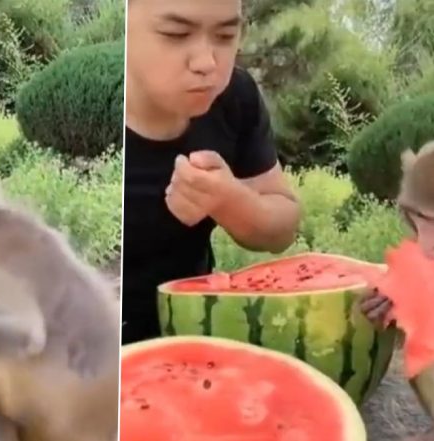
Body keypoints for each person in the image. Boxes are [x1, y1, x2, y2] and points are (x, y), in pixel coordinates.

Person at [122, 0, 302, 344]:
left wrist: (230, 201)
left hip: (188, 338)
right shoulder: (91, 118)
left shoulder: (235, 98)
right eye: (176, 34)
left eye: (224, 35)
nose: (207, 63)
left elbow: (283, 227)